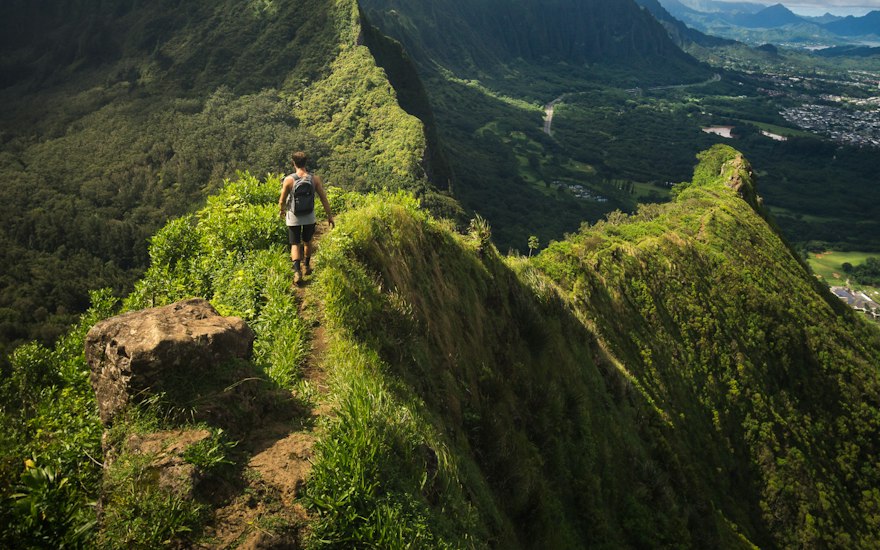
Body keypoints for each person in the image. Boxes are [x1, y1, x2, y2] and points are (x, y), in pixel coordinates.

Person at [279, 151, 334, 285]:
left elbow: (282, 200)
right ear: (306, 162)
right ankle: (307, 266)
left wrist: (281, 211)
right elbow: (323, 198)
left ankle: (297, 272)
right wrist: (329, 215)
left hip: (294, 216)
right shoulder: (314, 179)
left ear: (293, 163)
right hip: (309, 216)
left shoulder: (289, 180)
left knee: (295, 243)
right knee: (307, 241)